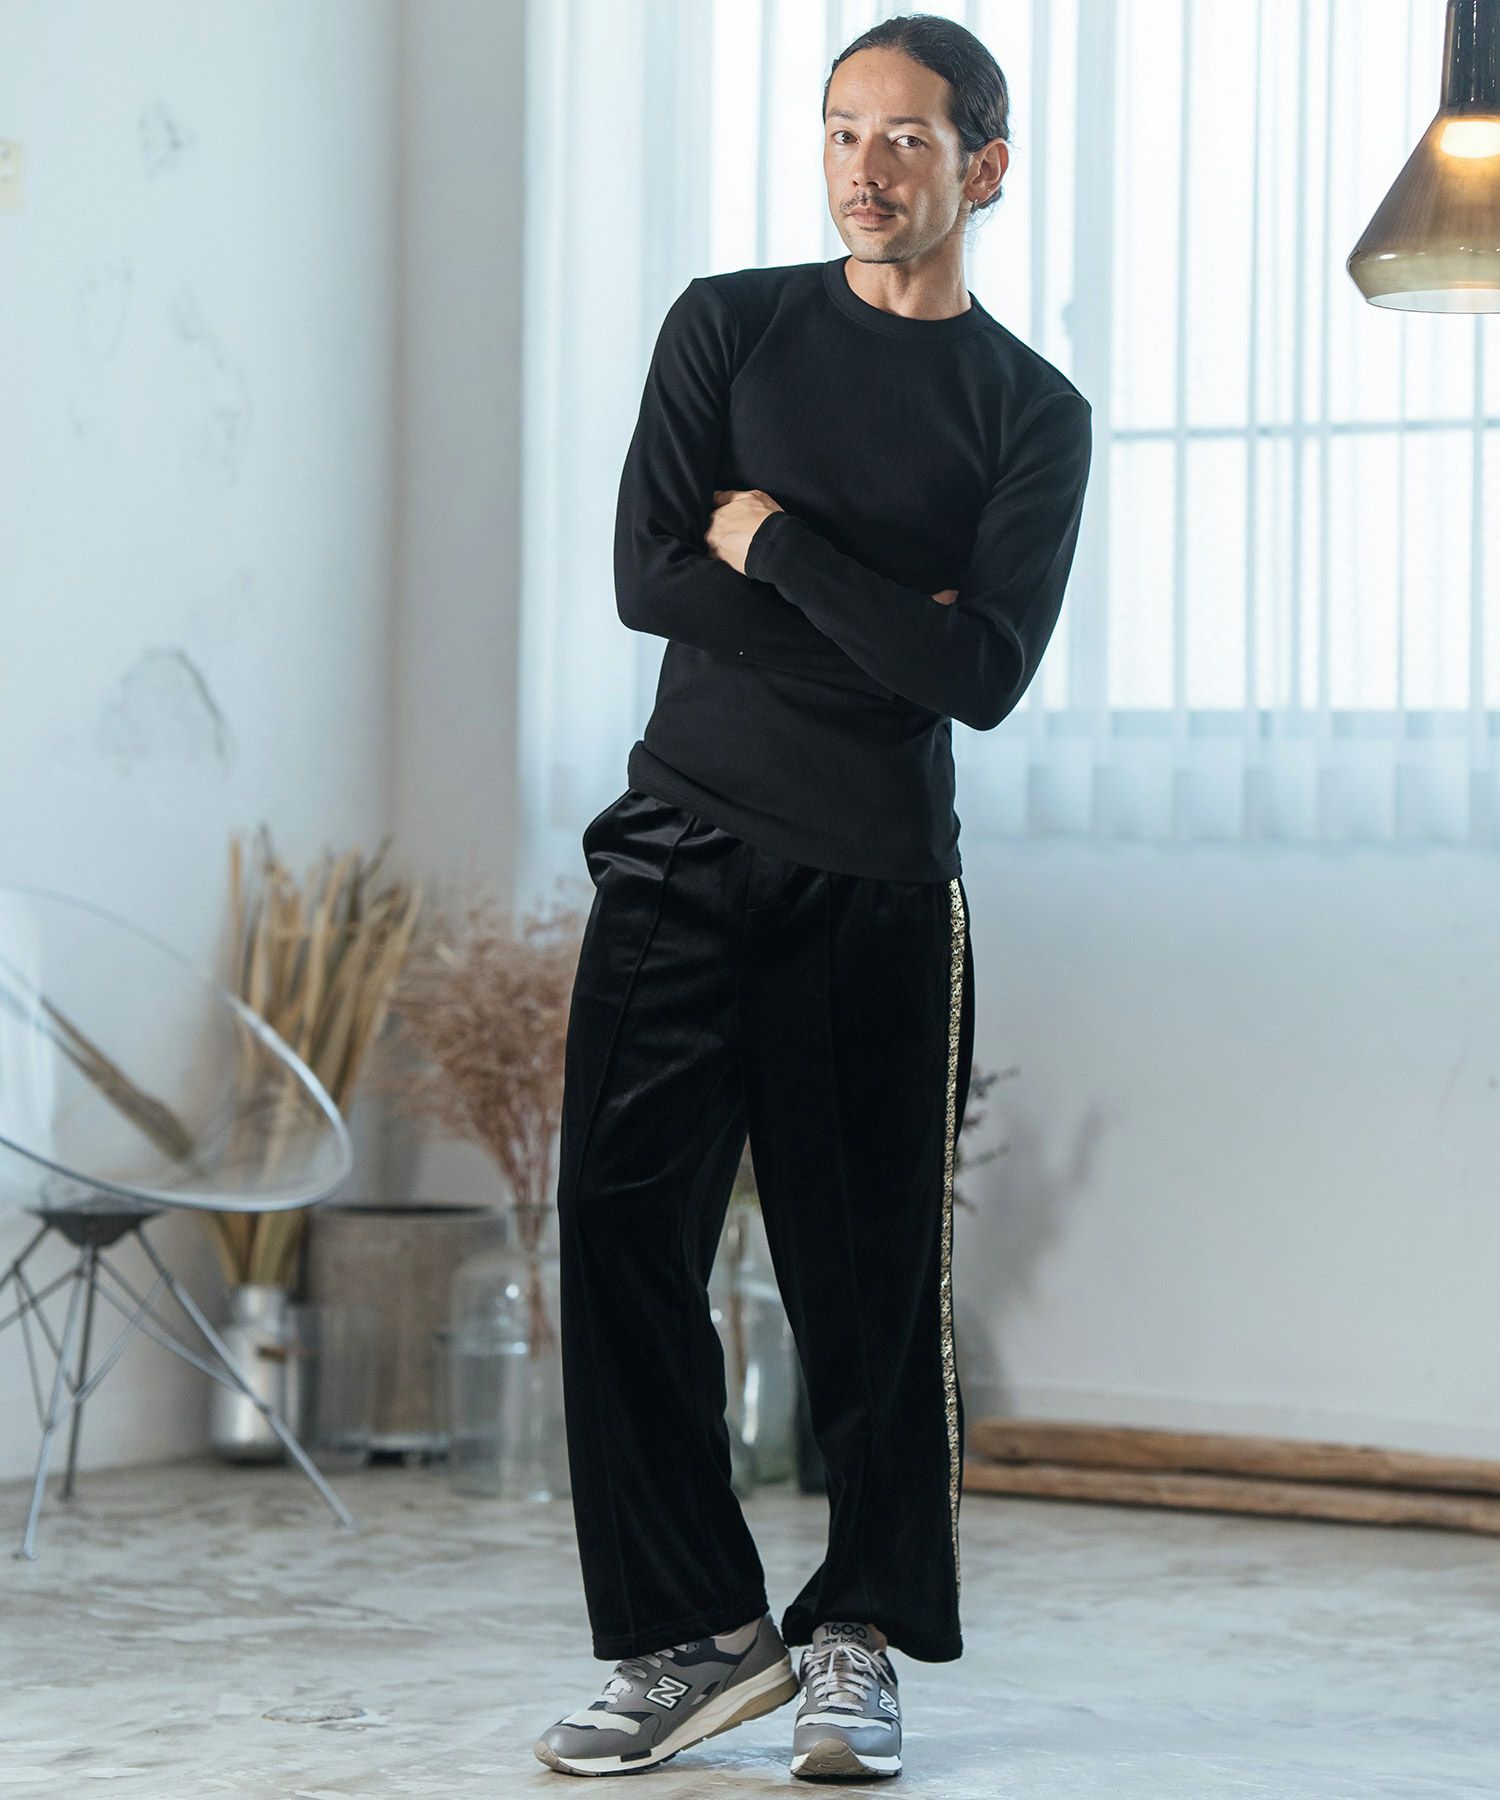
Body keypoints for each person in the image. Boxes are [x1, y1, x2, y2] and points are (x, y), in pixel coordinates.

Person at [534, 12, 1092, 1782]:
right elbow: (648, 578)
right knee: (619, 1244)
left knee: (868, 1293)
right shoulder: (728, 325)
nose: (867, 166)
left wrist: (773, 542)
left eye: (909, 137)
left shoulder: (1032, 414)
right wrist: (888, 624)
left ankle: (857, 1636)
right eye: (844, 129)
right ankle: (695, 1635)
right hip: (679, 850)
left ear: (984, 168)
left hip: (879, 888)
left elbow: (982, 677)